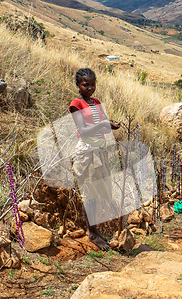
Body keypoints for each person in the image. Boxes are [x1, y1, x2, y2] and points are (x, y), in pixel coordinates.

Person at [69, 68, 120, 250]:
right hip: (86, 152)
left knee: (99, 191)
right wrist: (102, 125)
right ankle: (92, 232)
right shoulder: (76, 104)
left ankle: (96, 229)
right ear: (78, 85)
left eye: (92, 84)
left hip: (99, 150)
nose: (90, 88)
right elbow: (82, 131)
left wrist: (110, 125)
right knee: (89, 193)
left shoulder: (96, 102)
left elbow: (103, 125)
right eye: (85, 84)